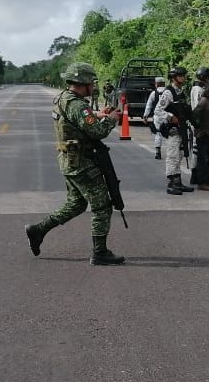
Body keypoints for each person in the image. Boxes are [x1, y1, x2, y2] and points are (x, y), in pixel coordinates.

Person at [24, 62, 125, 266]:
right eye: (91, 82)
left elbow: (74, 119)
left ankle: (38, 230)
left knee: (76, 204)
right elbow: (96, 132)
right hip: (82, 164)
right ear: (84, 83)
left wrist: (97, 115)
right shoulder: (78, 105)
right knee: (102, 207)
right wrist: (112, 119)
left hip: (69, 161)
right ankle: (100, 252)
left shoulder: (63, 98)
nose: (94, 86)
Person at [154, 66, 194, 195]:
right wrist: (171, 117)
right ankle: (171, 183)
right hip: (172, 130)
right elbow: (158, 110)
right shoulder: (168, 92)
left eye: (183, 75)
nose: (183, 77)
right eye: (180, 75)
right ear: (174, 77)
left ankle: (178, 182)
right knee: (172, 156)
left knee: (180, 156)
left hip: (181, 129)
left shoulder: (180, 92)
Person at [142, 76, 165, 159]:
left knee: (158, 133)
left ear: (157, 84)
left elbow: (148, 106)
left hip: (158, 117)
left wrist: (145, 116)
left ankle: (158, 151)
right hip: (168, 116)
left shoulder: (153, 93)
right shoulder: (169, 92)